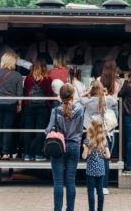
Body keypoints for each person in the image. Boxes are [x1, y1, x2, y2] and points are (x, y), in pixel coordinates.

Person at [45, 83, 84, 211]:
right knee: (71, 182)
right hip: (74, 146)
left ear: (60, 96)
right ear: (72, 95)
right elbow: (80, 130)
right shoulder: (79, 110)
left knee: (58, 182)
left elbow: (48, 130)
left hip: (58, 146)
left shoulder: (55, 111)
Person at [0, 52, 23, 160]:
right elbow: (19, 93)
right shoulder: (17, 75)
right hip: (11, 104)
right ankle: (6, 153)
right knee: (7, 128)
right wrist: (19, 105)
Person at [97, 60, 121, 194]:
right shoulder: (118, 82)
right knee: (109, 146)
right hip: (113, 111)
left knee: (99, 146)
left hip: (101, 109)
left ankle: (99, 185)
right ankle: (104, 186)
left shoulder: (99, 79)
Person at [23, 59, 53, 161]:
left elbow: (25, 94)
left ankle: (27, 154)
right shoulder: (48, 79)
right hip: (42, 107)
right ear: (45, 68)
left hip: (29, 107)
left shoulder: (27, 79)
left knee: (28, 130)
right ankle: (38, 154)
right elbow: (49, 95)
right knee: (40, 130)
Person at [82, 116, 111, 211]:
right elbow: (108, 156)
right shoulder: (104, 140)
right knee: (100, 190)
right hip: (101, 169)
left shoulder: (88, 141)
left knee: (90, 191)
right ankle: (100, 209)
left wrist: (84, 148)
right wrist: (102, 154)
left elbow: (84, 156)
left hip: (90, 170)